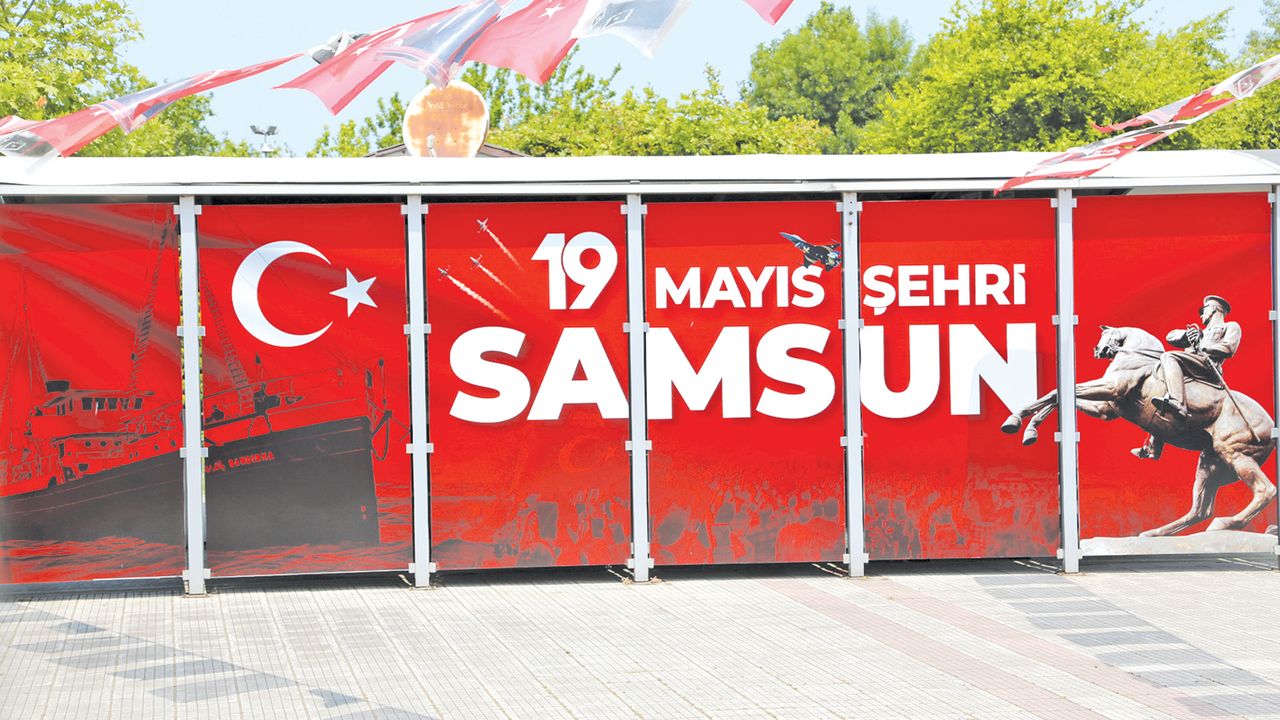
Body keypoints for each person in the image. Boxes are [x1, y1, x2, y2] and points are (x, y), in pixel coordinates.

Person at [1133, 295, 1240, 460]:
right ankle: (1153, 447)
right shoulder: (1199, 332)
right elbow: (1170, 337)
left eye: (1203, 310)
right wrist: (1188, 335)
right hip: (1192, 366)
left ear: (1213, 309)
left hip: (1208, 367)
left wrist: (1202, 344)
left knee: (1169, 357)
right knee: (1163, 384)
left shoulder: (1230, 326)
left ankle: (1178, 403)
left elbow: (1229, 348)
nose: (1201, 314)